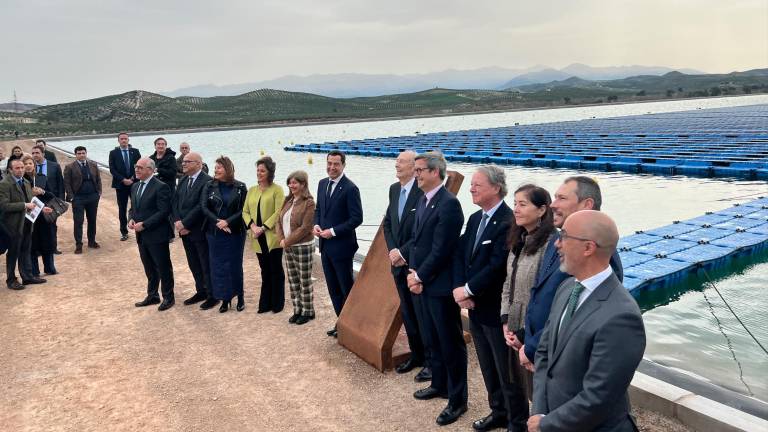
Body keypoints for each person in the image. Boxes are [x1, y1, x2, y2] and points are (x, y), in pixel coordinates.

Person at [528, 211, 645, 432]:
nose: (557, 245)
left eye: (564, 236)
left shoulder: (621, 316)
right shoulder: (567, 288)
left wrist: (546, 424)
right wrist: (540, 411)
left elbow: (599, 397)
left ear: (588, 248)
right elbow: (544, 354)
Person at [512, 176, 625, 391]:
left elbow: (576, 316)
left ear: (587, 205)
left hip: (563, 365)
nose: (553, 204)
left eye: (561, 198)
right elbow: (546, 298)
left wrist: (533, 347)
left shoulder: (597, 253)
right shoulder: (561, 241)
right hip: (543, 352)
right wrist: (526, 336)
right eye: (554, 197)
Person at [451, 166, 526, 432]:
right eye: (471, 184)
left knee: (507, 371)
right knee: (487, 366)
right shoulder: (474, 219)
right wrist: (460, 290)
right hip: (475, 308)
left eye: (477, 185)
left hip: (497, 309)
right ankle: (498, 412)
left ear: (496, 188)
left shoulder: (509, 222)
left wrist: (468, 290)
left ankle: (517, 422)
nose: (471, 188)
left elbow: (498, 267)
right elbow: (461, 254)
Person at [406, 152, 467, 427]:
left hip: (440, 286)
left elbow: (442, 249)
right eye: (416, 170)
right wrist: (414, 274)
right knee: (433, 339)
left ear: (435, 172)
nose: (416, 174)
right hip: (423, 284)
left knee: (450, 343)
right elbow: (418, 242)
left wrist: (419, 275)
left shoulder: (449, 204)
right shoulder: (423, 199)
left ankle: (458, 400)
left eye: (420, 170)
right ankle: (440, 384)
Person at [497, 184, 556, 429]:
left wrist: (524, 334)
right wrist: (505, 321)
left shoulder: (551, 245)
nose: (516, 209)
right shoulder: (518, 240)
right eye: (515, 203)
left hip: (533, 332)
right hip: (513, 326)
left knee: (539, 394)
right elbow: (507, 285)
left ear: (542, 209)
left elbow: (546, 297)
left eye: (523, 204)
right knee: (516, 384)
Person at [382, 150, 431, 381]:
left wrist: (403, 252)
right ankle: (417, 355)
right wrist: (393, 250)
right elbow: (389, 223)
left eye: (401, 162)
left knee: (422, 314)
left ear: (414, 167)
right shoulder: (393, 190)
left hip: (414, 264)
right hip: (397, 263)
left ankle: (431, 362)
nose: (396, 165)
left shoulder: (422, 192)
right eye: (397, 161)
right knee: (408, 313)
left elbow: (422, 231)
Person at [313, 150, 363, 337]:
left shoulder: (350, 188)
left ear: (343, 165)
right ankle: (341, 323)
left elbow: (357, 218)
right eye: (329, 163)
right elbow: (319, 210)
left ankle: (354, 326)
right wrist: (316, 224)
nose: (332, 167)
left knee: (345, 288)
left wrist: (333, 231)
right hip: (325, 247)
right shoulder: (322, 184)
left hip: (342, 247)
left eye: (336, 164)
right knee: (333, 288)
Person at [201, 156, 248, 313]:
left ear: (228, 169)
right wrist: (218, 222)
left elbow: (244, 210)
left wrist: (227, 222)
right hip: (215, 233)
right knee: (218, 267)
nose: (215, 170)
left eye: (219, 167)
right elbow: (204, 208)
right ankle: (225, 299)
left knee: (235, 265)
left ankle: (240, 296)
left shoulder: (241, 187)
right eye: (215, 168)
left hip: (235, 233)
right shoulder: (209, 186)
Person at [130, 158, 175, 311]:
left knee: (163, 267)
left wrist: (145, 224)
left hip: (157, 234)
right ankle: (153, 295)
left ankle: (168, 297)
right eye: (136, 167)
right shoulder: (135, 186)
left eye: (140, 168)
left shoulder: (161, 187)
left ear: (150, 170)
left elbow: (164, 211)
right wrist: (131, 219)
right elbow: (134, 208)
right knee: (148, 267)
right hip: (141, 236)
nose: (136, 170)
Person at [172, 152, 215, 309]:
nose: (183, 164)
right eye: (183, 162)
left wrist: (185, 224)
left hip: (199, 230)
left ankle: (212, 294)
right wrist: (177, 221)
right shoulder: (183, 180)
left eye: (187, 162)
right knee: (193, 263)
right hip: (183, 230)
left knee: (205, 263)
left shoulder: (208, 181)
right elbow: (175, 201)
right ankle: (201, 291)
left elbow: (201, 207)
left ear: (198, 164)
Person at [243, 156, 285, 313]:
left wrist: (264, 227)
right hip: (256, 237)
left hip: (272, 237)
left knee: (276, 270)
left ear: (270, 172)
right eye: (258, 170)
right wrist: (253, 226)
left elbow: (279, 211)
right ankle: (265, 303)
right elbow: (245, 211)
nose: (259, 173)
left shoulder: (277, 189)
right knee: (264, 270)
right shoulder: (252, 190)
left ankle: (277, 303)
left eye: (263, 170)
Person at [276, 170, 316, 325]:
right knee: (293, 280)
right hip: (287, 245)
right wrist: (281, 240)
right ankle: (297, 309)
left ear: (303, 184)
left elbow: (305, 228)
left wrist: (287, 242)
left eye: (295, 183)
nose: (291, 185)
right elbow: (278, 222)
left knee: (304, 280)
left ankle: (308, 311)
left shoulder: (309, 203)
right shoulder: (288, 200)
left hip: (303, 246)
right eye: (290, 182)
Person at [0, 159, 45, 289]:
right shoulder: (4, 184)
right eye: (17, 168)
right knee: (13, 252)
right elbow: (3, 206)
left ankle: (27, 276)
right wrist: (24, 205)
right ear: (10, 170)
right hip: (12, 225)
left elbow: (31, 201)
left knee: (25, 250)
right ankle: (11, 280)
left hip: (27, 222)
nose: (20, 170)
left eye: (22, 167)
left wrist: (42, 208)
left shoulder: (25, 182)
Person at [63, 146, 101, 254]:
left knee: (92, 220)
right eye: (79, 153)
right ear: (75, 155)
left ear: (86, 153)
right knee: (79, 221)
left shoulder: (93, 165)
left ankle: (92, 241)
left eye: (83, 153)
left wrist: (99, 193)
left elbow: (98, 179)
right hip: (78, 198)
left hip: (92, 197)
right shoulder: (69, 167)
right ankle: (79, 244)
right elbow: (67, 183)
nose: (81, 155)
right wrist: (71, 196)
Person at [25, 153, 58, 277]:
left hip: (44, 215)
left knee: (47, 242)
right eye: (25, 164)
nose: (28, 166)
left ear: (34, 165)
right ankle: (34, 271)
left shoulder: (41, 177)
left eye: (30, 163)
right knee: (32, 245)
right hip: (29, 217)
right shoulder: (21, 180)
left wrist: (42, 191)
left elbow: (51, 195)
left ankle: (50, 268)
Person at [108, 132, 141, 241]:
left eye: (125, 139)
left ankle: (138, 227)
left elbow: (139, 166)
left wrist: (132, 179)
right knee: (122, 208)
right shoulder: (113, 153)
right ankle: (124, 232)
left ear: (128, 140)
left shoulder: (135, 152)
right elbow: (112, 169)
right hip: (120, 185)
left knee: (137, 206)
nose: (124, 140)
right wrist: (123, 179)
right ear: (118, 140)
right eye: (122, 139)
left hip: (134, 183)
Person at [31, 145, 64, 255]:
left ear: (43, 154)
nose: (35, 155)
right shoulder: (30, 167)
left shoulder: (54, 166)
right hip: (35, 201)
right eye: (33, 153)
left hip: (51, 200)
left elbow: (60, 184)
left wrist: (61, 200)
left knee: (52, 224)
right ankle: (39, 249)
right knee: (37, 226)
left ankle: (53, 247)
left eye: (37, 153)